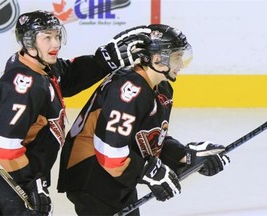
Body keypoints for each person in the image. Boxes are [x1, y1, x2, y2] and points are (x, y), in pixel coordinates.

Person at [0, 10, 151, 216]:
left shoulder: (40, 68)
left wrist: (104, 60)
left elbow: (70, 76)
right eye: (47, 37)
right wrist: (30, 185)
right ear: (28, 42)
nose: (55, 44)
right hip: (2, 182)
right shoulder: (24, 85)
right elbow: (3, 148)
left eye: (56, 35)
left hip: (11, 179)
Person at [57, 24, 231, 216]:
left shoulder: (161, 88)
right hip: (93, 178)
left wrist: (188, 156)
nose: (181, 65)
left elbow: (147, 140)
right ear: (157, 59)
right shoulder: (129, 89)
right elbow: (110, 153)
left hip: (115, 177)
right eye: (176, 57)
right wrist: (148, 171)